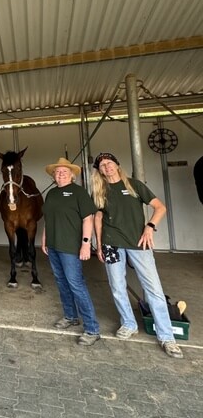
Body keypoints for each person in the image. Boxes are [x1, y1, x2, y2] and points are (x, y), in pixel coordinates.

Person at [91, 152, 183, 359]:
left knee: (153, 289)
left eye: (110, 163)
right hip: (111, 245)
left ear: (117, 164)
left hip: (138, 243)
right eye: (103, 165)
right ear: (99, 171)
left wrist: (150, 226)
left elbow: (160, 207)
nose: (107, 167)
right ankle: (129, 323)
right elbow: (98, 218)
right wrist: (98, 244)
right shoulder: (100, 190)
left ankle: (167, 336)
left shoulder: (134, 185)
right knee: (117, 286)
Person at [41, 158, 100, 346]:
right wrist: (44, 239)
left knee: (76, 284)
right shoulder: (51, 194)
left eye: (64, 172)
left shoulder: (79, 193)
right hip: (54, 246)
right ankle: (70, 316)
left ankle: (92, 328)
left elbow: (87, 219)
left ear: (71, 175)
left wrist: (85, 244)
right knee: (61, 282)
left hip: (70, 247)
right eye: (57, 172)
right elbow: (48, 219)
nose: (60, 175)